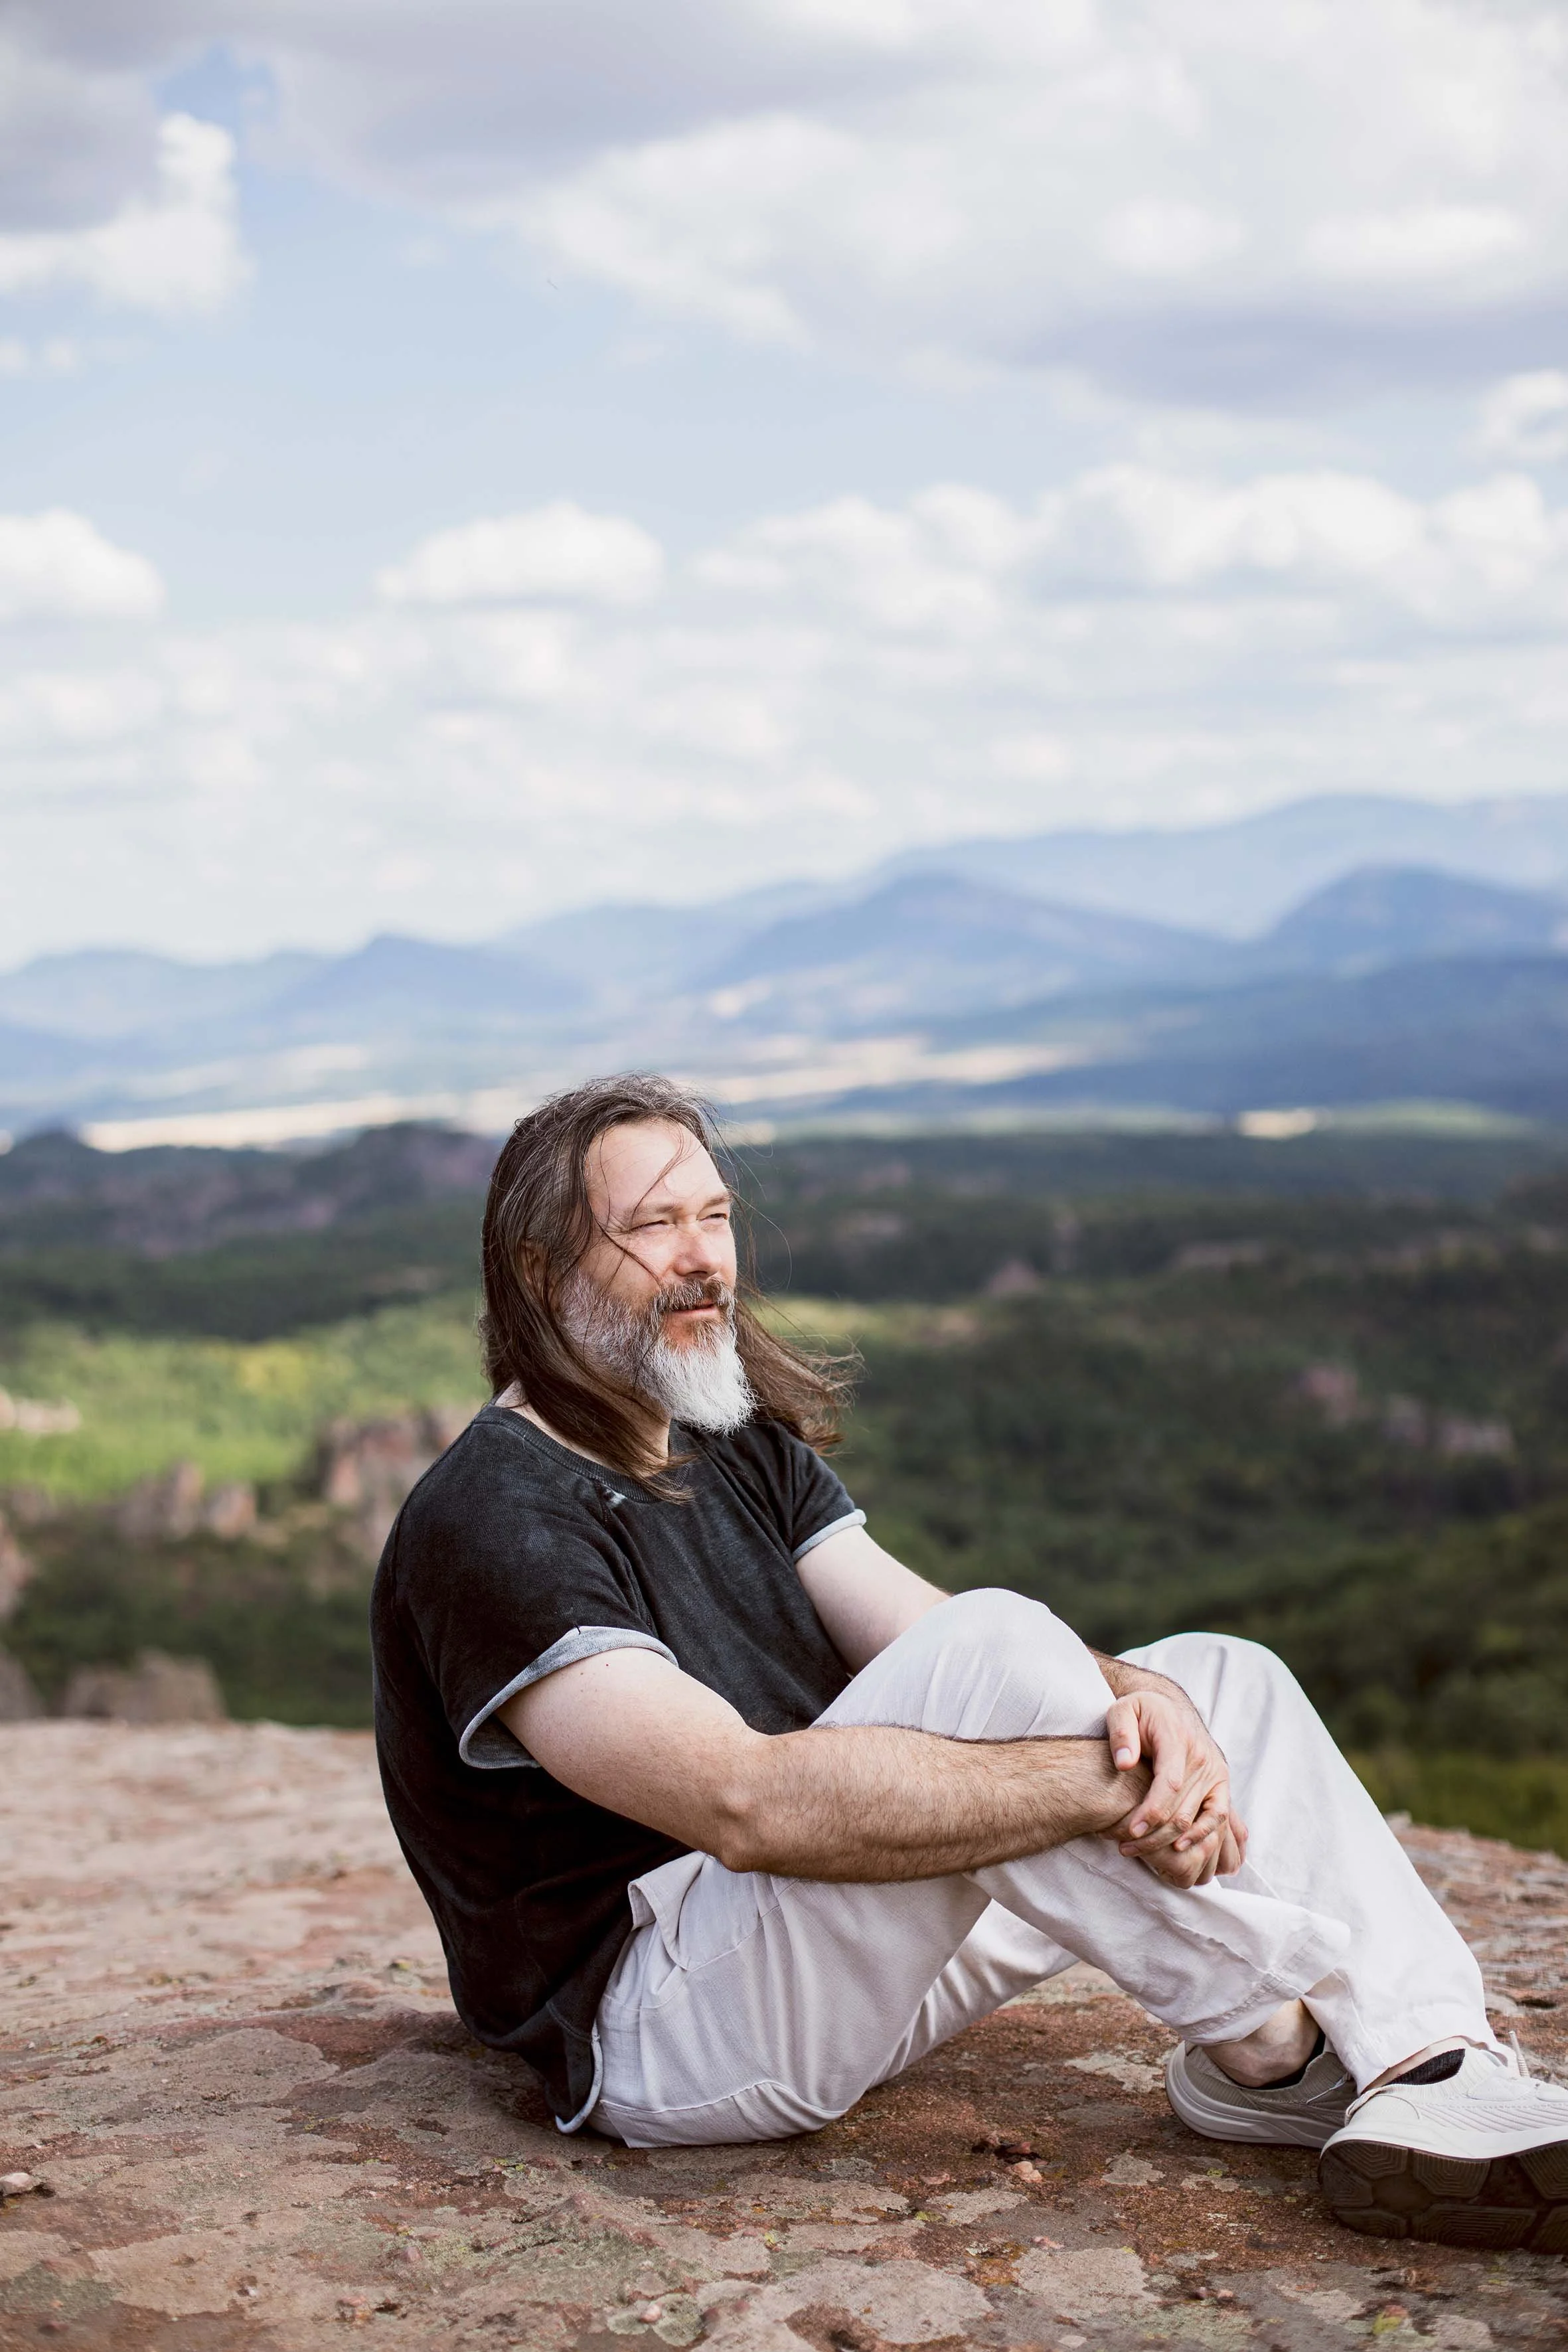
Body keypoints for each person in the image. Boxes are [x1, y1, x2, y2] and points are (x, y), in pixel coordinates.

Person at [371, 1073, 1568, 2251]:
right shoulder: (496, 1516)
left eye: (715, 1216)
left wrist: (1143, 1704)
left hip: (836, 1952)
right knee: (1010, 1657)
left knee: (1216, 1681)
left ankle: (1431, 2066)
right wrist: (1103, 1782)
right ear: (541, 1271)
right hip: (666, 2023)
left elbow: (930, 1633)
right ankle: (1276, 2055)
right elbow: (742, 1805)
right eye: (652, 1226)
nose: (702, 1258)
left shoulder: (730, 1442)